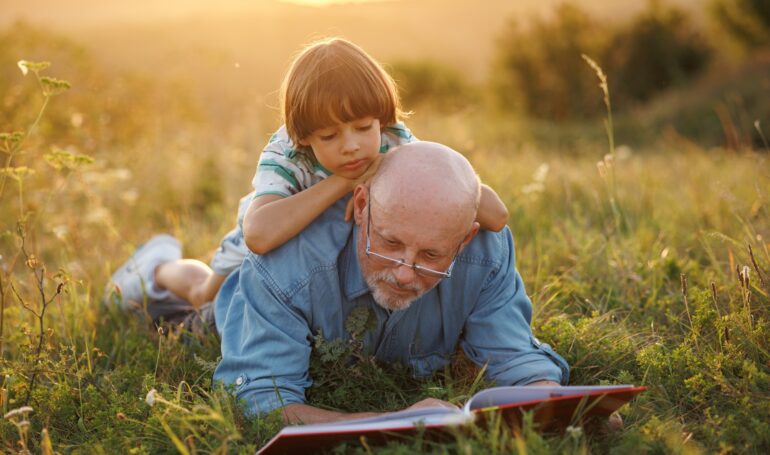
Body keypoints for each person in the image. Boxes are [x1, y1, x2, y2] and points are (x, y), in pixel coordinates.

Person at [105, 38, 508, 321]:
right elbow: (260, 236)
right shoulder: (287, 154)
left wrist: (400, 164)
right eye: (330, 137)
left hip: (331, 249)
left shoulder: (391, 141)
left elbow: (496, 214)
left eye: (362, 127)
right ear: (304, 137)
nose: (351, 146)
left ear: (381, 119)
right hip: (271, 236)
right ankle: (155, 267)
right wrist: (344, 182)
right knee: (203, 297)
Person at [213, 142, 569, 423]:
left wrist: (566, 409)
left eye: (431, 255)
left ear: (464, 239)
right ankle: (160, 264)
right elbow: (258, 404)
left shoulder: (486, 251)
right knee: (192, 300)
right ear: (363, 203)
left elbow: (515, 359)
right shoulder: (287, 266)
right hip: (232, 291)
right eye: (390, 243)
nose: (404, 273)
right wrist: (395, 421)